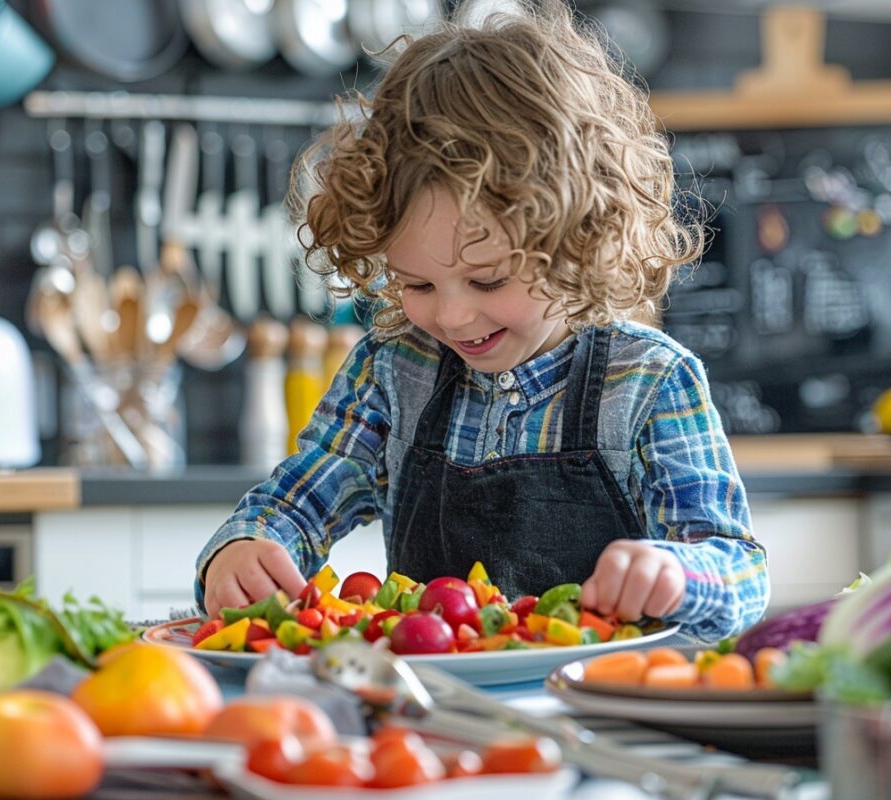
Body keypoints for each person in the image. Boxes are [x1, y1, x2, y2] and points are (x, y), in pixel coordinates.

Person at [194, 0, 770, 642]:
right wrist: (243, 549)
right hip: (431, 720)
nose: (452, 314)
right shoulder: (391, 371)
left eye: (489, 279)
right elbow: (292, 506)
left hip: (602, 711)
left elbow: (738, 572)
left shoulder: (651, 382)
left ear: (577, 237)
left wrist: (678, 574)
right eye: (416, 283)